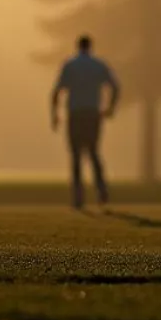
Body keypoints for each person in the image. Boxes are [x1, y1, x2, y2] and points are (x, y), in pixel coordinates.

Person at [51, 35, 119, 209]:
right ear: (91, 46)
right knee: (93, 151)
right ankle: (101, 189)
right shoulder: (98, 65)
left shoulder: (70, 65)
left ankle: (78, 197)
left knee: (75, 154)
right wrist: (110, 107)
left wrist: (55, 114)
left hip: (75, 113)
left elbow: (57, 90)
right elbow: (115, 86)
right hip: (92, 113)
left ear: (77, 46)